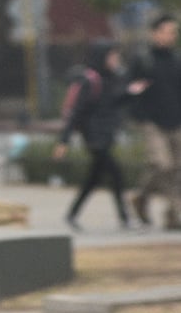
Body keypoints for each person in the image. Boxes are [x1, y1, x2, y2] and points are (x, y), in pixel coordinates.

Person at [52, 41, 140, 230]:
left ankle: (72, 214)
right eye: (112, 56)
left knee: (94, 179)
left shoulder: (111, 78)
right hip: (94, 138)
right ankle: (125, 218)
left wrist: (131, 93)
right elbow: (77, 112)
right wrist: (63, 141)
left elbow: (112, 103)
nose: (116, 60)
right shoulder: (90, 80)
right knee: (116, 175)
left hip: (106, 135)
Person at [129, 14, 181, 229]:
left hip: (176, 120)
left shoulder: (177, 60)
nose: (172, 36)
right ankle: (178, 211)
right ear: (155, 33)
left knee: (177, 168)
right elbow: (131, 90)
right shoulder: (143, 60)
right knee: (163, 165)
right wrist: (140, 117)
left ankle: (144, 198)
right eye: (168, 31)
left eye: (174, 32)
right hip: (151, 122)